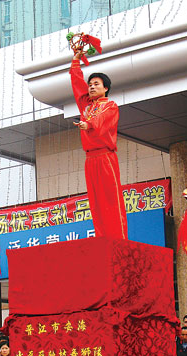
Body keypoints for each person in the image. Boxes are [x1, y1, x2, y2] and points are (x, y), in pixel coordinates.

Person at [69, 49, 127, 240]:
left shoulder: (110, 106)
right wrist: (76, 61)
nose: (92, 87)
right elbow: (77, 85)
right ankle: (103, 237)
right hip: (90, 158)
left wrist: (89, 124)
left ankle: (118, 239)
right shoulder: (86, 106)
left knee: (111, 199)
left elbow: (104, 120)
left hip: (105, 156)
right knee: (96, 201)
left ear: (106, 88)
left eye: (96, 84)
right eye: (90, 84)